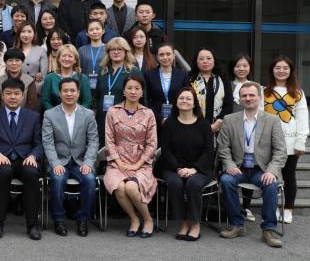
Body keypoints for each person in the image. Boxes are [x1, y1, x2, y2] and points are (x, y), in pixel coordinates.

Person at [218, 81, 287, 248]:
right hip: (238, 168)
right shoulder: (229, 120)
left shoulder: (272, 120)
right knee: (226, 181)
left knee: (270, 184)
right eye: (244, 96)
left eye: (251, 95)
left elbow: (280, 150)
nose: (248, 98)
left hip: (261, 169)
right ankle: (237, 225)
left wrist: (271, 171)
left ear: (259, 97)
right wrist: (229, 164)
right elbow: (223, 147)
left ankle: (268, 229)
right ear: (240, 99)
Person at [0, 78, 43, 240]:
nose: (12, 97)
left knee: (32, 173)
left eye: (16, 93)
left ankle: (32, 225)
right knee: (4, 173)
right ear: (2, 96)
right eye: (8, 93)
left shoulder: (33, 117)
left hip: (25, 159)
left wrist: (33, 156)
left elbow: (39, 144)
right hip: (2, 159)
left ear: (22, 96)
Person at [42, 77, 99, 237]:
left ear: (78, 93)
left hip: (80, 161)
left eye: (72, 90)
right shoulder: (49, 114)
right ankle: (59, 220)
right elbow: (47, 143)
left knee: (89, 179)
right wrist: (55, 163)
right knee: (58, 180)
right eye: (65, 91)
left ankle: (83, 219)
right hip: (59, 160)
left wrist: (88, 162)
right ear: (59, 93)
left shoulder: (88, 114)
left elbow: (94, 141)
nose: (69, 94)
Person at [103, 75, 157, 238]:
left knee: (131, 187)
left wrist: (137, 165)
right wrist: (119, 163)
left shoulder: (148, 113)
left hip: (141, 162)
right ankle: (134, 219)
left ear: (142, 92)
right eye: (129, 88)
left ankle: (148, 220)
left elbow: (152, 143)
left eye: (137, 88)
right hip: (117, 161)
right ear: (124, 91)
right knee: (119, 187)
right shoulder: (113, 111)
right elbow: (109, 140)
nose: (133, 91)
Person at [160, 87, 214, 241]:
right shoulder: (169, 123)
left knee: (193, 184)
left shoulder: (204, 124)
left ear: (194, 103)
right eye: (181, 98)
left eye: (188, 98)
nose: (185, 101)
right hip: (173, 168)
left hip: (200, 169)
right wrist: (178, 168)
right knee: (175, 183)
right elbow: (166, 151)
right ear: (176, 102)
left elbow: (209, 151)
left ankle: (195, 224)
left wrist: (194, 169)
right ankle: (183, 223)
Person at [263, 56, 308, 224]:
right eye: (277, 68)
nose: (281, 71)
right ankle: (274, 207)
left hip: (290, 141)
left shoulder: (297, 93)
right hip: (268, 142)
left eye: (285, 68)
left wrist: (300, 141)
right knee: (271, 176)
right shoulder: (263, 91)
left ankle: (288, 209)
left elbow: (302, 118)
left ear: (291, 71)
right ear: (272, 70)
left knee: (289, 176)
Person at [93, 37, 145, 146]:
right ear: (108, 52)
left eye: (120, 49)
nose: (116, 52)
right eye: (113, 49)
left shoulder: (133, 71)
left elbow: (142, 99)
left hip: (125, 121)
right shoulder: (103, 71)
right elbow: (97, 96)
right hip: (103, 119)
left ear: (126, 52)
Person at [228, 52, 255, 219]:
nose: (241, 69)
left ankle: (247, 206)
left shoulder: (256, 87)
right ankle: (231, 207)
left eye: (245, 65)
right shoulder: (227, 85)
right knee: (230, 170)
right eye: (238, 66)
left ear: (250, 67)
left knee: (249, 167)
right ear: (233, 68)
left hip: (250, 132)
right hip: (230, 132)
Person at [189, 47, 233, 134]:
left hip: (219, 127)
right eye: (201, 59)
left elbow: (228, 104)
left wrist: (218, 123)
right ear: (196, 62)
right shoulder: (189, 78)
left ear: (214, 61)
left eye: (209, 58)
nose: (205, 61)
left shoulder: (223, 78)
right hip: (194, 126)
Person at [144, 43, 189, 125]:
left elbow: (186, 98)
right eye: (161, 55)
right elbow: (146, 100)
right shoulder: (149, 75)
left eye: (168, 54)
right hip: (155, 119)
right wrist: (160, 119)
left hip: (178, 118)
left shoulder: (183, 75)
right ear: (157, 57)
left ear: (174, 56)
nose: (165, 57)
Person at [40, 44, 92, 110]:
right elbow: (46, 101)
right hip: (55, 115)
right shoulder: (49, 78)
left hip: (78, 115)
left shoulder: (83, 78)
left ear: (75, 60)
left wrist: (77, 114)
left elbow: (87, 101)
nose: (66, 59)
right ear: (58, 59)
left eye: (70, 56)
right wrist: (54, 113)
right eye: (64, 56)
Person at [13, 21, 47, 92]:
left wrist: (36, 88)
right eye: (23, 31)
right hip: (15, 89)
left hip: (35, 89)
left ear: (34, 34)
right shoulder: (12, 51)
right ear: (19, 33)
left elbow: (43, 74)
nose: (26, 35)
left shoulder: (41, 51)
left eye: (29, 31)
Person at [77, 19, 105, 92]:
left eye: (97, 29)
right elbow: (78, 70)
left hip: (104, 85)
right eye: (91, 30)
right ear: (87, 33)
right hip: (85, 86)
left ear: (103, 31)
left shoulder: (108, 48)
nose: (94, 32)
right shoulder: (82, 50)